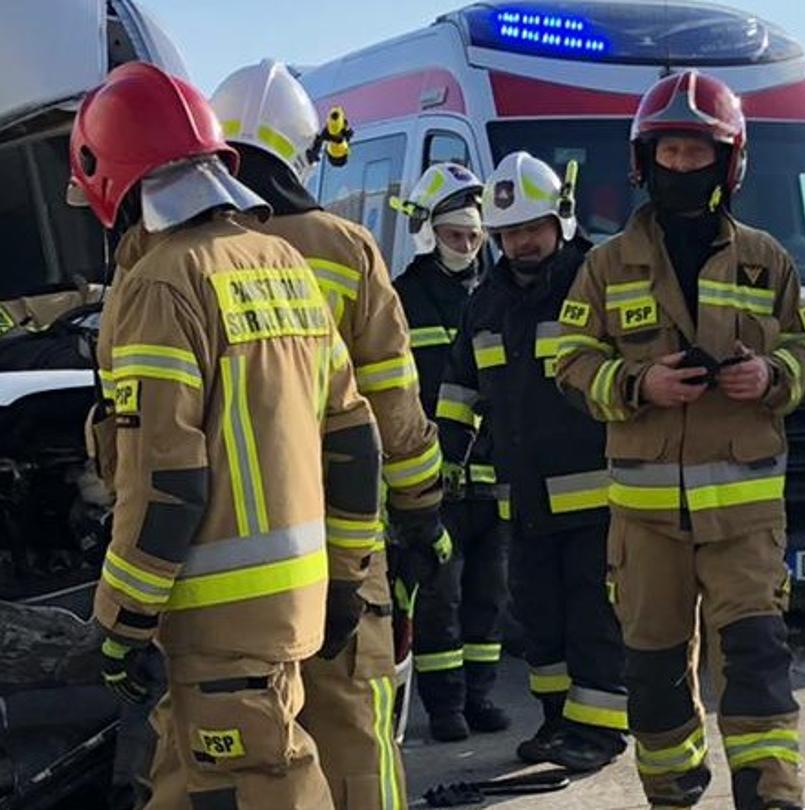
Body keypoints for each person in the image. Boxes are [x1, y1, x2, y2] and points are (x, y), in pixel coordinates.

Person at [74, 62, 384, 810]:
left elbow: (167, 482)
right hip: (295, 604)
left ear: (110, 176)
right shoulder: (281, 262)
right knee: (184, 784)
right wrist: (346, 574)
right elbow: (355, 440)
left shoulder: (161, 283)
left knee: (266, 786)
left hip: (217, 624)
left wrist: (122, 619)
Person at [554, 69, 805, 810]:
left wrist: (771, 373)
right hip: (646, 528)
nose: (681, 166)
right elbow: (568, 363)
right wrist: (638, 384)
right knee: (655, 677)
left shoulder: (768, 260)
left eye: (696, 152)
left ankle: (772, 798)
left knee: (759, 667)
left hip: (746, 521)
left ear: (727, 161)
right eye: (668, 152)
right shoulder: (605, 266)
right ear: (645, 161)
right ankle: (672, 792)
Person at [211, 58, 443, 809]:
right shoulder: (346, 249)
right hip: (340, 544)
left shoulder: (178, 255)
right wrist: (422, 514)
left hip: (216, 558)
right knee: (355, 738)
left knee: (237, 757)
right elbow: (393, 406)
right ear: (303, 152)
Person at [440, 152, 627, 772]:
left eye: (531, 228)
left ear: (559, 221)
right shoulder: (486, 303)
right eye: (509, 232)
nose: (521, 242)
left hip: (596, 499)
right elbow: (460, 389)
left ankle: (599, 732)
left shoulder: (593, 284)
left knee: (593, 618)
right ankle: (556, 724)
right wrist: (444, 462)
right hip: (520, 500)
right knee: (539, 620)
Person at [394, 161, 512, 743]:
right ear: (428, 232)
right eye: (454, 235)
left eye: (473, 236)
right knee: (440, 595)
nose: (465, 247)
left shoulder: (495, 295)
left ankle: (480, 695)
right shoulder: (402, 298)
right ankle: (445, 706)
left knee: (489, 595)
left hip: (493, 472)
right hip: (434, 475)